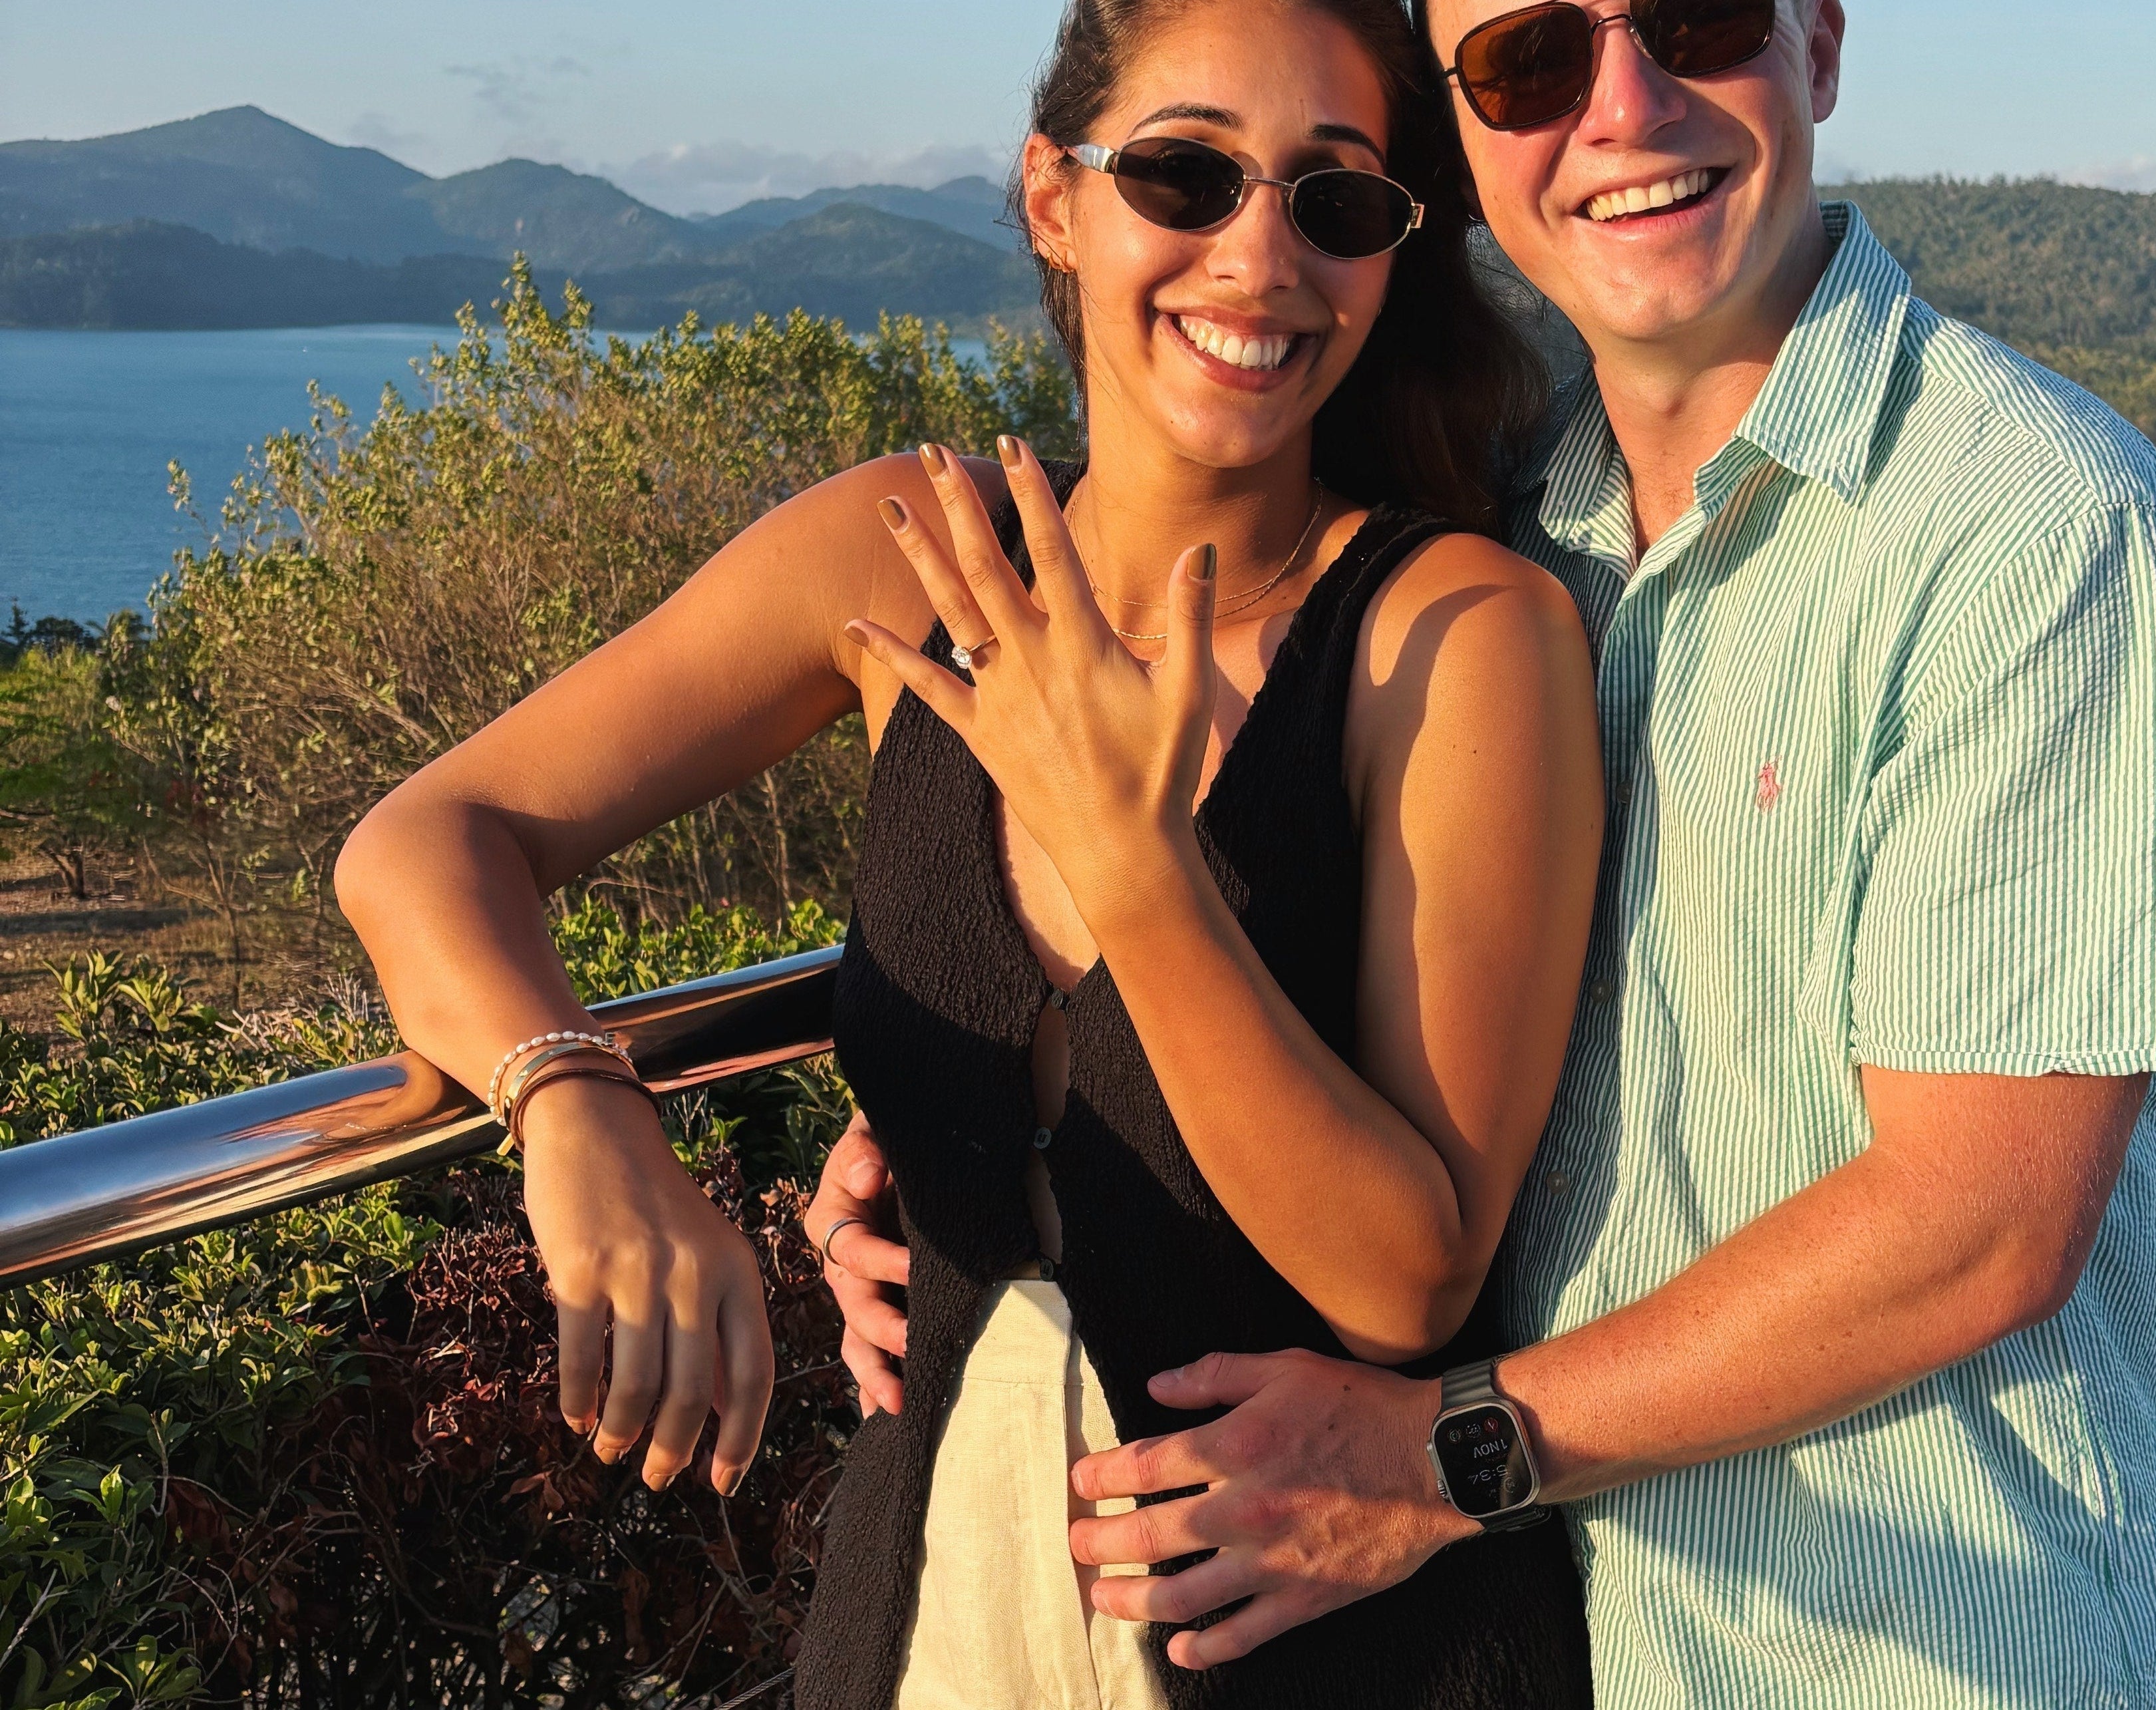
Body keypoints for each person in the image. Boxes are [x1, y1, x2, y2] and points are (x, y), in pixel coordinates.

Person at [818, 0, 2156, 1702]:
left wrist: (1447, 1452)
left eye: (1701, 19)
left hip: (1907, 1635)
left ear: (1820, 43)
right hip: (1579, 1632)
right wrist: (998, 1102)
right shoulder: (1525, 509)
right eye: (1529, 61)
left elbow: (1983, 1216)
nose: (1625, 106)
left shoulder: (2034, 531)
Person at [334, 0, 1608, 1705]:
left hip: (1335, 1645)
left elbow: (1404, 1273)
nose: (1258, 259)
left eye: (1335, 201)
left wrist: (1139, 869)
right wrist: (582, 1110)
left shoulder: (1454, 637)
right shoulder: (910, 560)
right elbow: (431, 837)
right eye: (1185, 173)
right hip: (935, 1606)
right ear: (1050, 198)